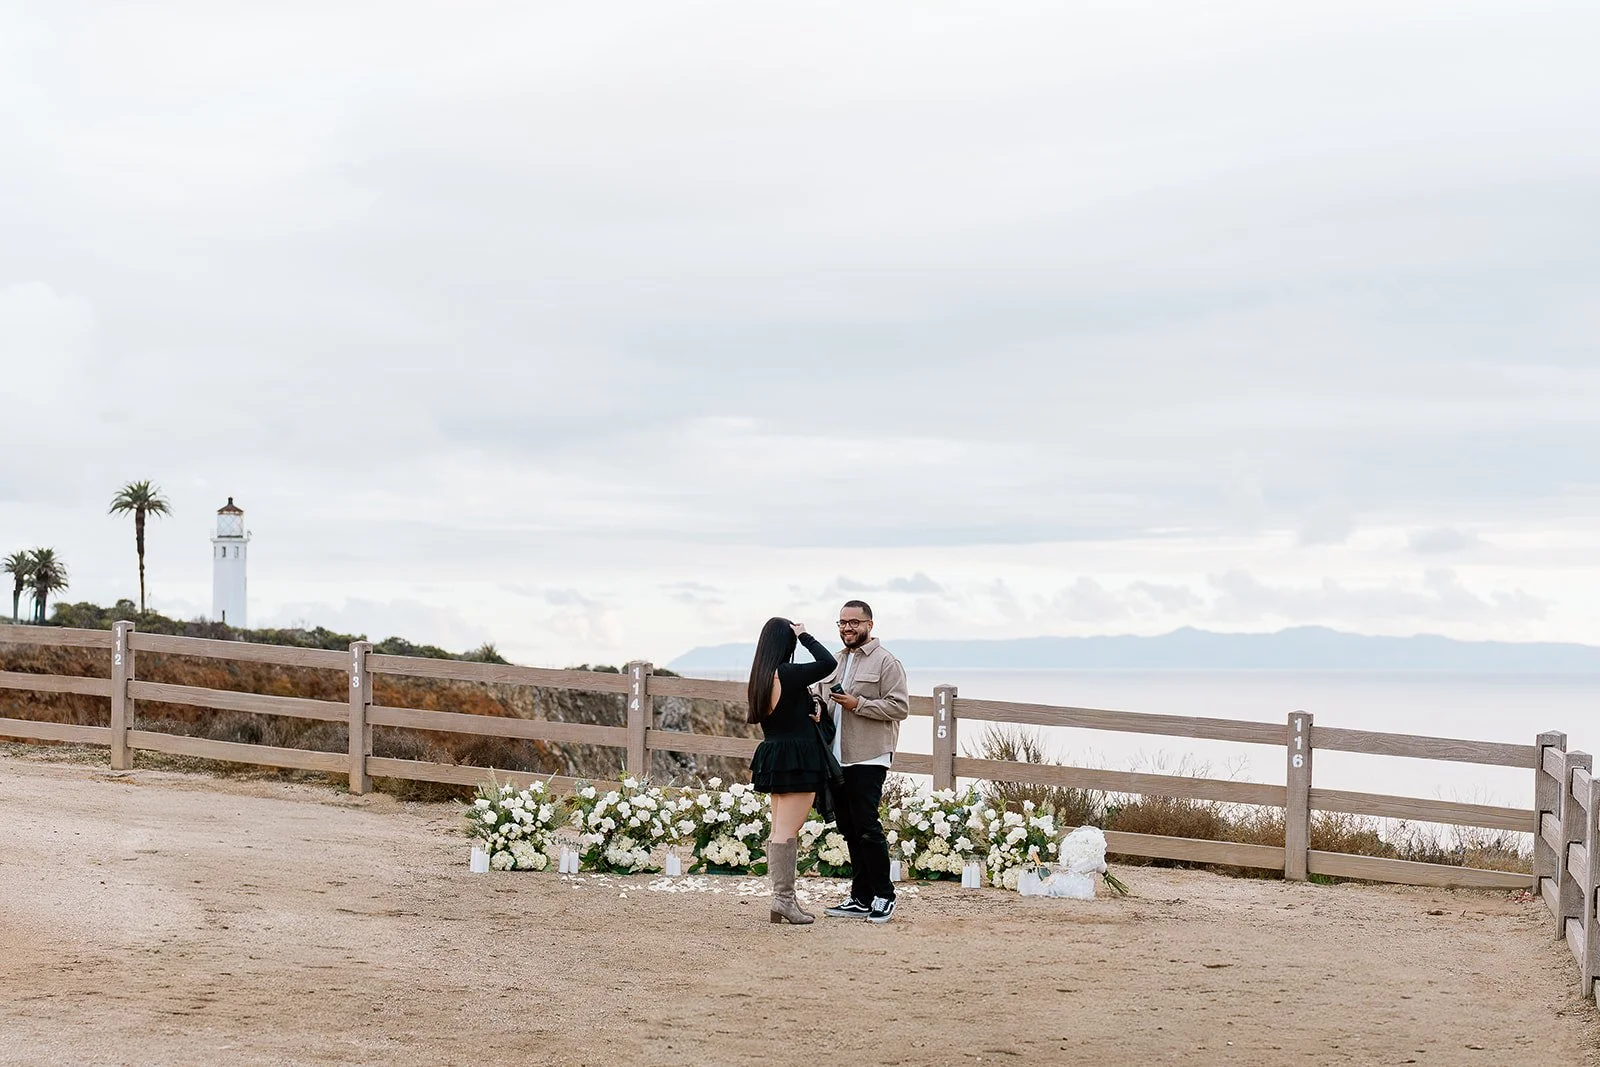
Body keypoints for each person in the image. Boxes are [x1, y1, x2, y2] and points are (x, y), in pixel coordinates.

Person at [813, 600, 909, 923]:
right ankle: (860, 897)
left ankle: (885, 895)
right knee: (849, 827)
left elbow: (899, 707)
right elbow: (818, 696)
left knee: (867, 825)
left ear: (870, 624)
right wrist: (816, 706)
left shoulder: (886, 663)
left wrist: (858, 704)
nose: (847, 628)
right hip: (837, 757)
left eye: (854, 622)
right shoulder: (835, 662)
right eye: (842, 623)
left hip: (869, 756)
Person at [747, 616, 837, 925]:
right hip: (797, 757)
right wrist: (806, 636)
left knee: (778, 830)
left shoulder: (760, 676)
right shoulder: (788, 673)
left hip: (774, 753)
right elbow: (828, 663)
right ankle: (783, 900)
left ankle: (784, 899)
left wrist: (810, 712)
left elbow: (784, 714)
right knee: (786, 832)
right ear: (786, 642)